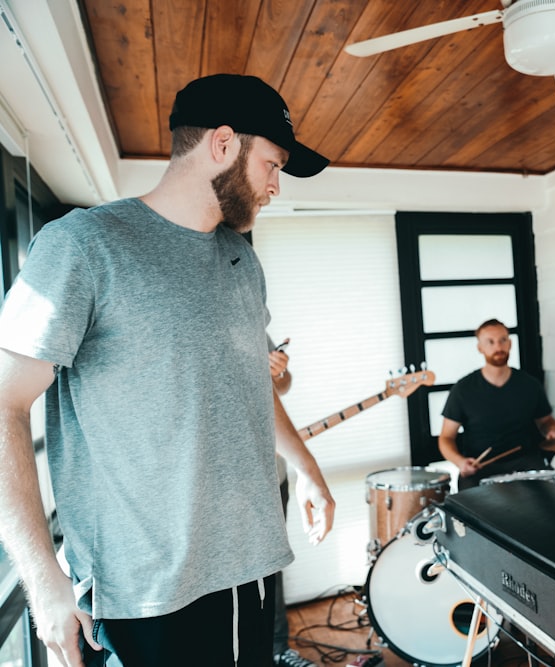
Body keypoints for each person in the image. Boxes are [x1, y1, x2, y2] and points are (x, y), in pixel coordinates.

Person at [0, 73, 336, 667]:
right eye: (273, 165)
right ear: (224, 144)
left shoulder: (240, 260)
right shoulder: (84, 246)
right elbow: (5, 404)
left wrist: (306, 468)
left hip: (251, 565)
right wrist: (45, 580)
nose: (276, 187)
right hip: (144, 594)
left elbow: (249, 384)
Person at [439, 319, 555, 489]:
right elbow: (446, 437)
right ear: (480, 348)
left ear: (510, 343)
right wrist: (460, 462)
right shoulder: (463, 389)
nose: (498, 347)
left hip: (526, 463)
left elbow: (545, 421)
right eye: (490, 342)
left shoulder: (530, 385)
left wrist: (553, 430)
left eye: (503, 340)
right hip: (481, 468)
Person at [266, 339, 317, 667]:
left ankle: (278, 648)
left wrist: (278, 371)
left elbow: (281, 386)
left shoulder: (252, 316)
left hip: (271, 473)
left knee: (273, 564)